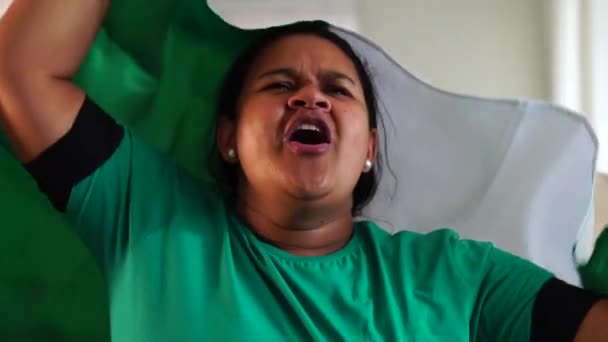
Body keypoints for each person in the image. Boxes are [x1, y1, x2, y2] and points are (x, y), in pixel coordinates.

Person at [0, 1, 606, 341]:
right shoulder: (147, 215)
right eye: (280, 84)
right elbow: (21, 75)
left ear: (370, 148)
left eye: (337, 90)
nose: (309, 99)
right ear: (229, 138)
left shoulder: (457, 278)